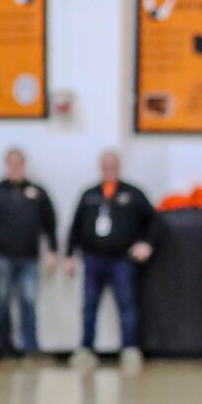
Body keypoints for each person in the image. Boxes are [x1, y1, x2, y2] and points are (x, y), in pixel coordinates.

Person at [64, 150, 161, 373]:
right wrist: (69, 255)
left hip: (122, 260)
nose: (109, 169)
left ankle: (129, 349)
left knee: (126, 304)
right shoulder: (89, 195)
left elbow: (155, 222)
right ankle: (86, 349)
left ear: (119, 167)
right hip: (93, 258)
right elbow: (75, 227)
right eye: (106, 165)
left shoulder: (133, 194)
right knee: (89, 305)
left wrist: (146, 244)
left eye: (113, 165)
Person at [0, 148, 57, 357]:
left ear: (24, 164)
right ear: (7, 165)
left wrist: (52, 250)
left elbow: (50, 222)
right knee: (2, 302)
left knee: (29, 302)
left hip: (29, 257)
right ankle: (5, 348)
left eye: (19, 163)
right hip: (2, 257)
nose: (16, 167)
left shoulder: (37, 192)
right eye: (12, 163)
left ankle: (31, 347)